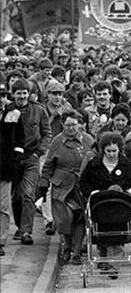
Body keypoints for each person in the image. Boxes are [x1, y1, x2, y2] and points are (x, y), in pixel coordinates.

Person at [79, 132, 131, 278]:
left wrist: (130, 191)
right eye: (108, 151)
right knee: (101, 230)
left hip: (120, 207)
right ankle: (104, 257)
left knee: (117, 232)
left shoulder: (126, 165)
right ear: (103, 150)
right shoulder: (94, 164)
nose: (112, 154)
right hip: (100, 205)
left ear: (119, 150)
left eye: (114, 151)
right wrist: (93, 192)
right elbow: (84, 182)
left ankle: (113, 264)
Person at [38, 110, 94, 265]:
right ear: (63, 124)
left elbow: (95, 159)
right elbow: (49, 164)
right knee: (65, 218)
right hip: (61, 185)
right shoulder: (57, 141)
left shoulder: (88, 139)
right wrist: (43, 183)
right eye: (68, 125)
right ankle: (67, 247)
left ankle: (76, 252)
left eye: (74, 125)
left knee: (80, 217)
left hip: (81, 184)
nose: (71, 128)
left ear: (80, 124)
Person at [11, 78, 52, 245]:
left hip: (31, 158)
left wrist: (39, 152)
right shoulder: (8, 110)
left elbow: (47, 133)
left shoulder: (39, 111)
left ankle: (27, 232)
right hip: (12, 160)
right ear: (13, 94)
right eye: (19, 93)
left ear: (29, 94)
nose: (22, 96)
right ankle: (20, 227)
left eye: (25, 93)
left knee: (28, 194)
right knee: (15, 197)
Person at [0, 88, 24, 256]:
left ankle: (0, 240)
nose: (1, 99)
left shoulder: (14, 113)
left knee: (3, 206)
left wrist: (15, 158)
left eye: (3, 96)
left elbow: (20, 138)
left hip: (5, 168)